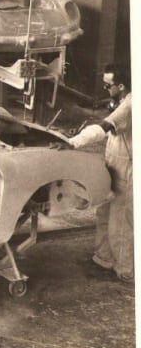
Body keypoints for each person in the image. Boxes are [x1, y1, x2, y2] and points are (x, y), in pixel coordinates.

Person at [63, 64, 133, 284]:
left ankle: (125, 269)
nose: (105, 88)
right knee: (103, 213)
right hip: (112, 162)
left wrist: (72, 143)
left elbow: (103, 127)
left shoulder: (130, 104)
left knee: (120, 222)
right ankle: (104, 258)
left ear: (121, 86)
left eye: (108, 85)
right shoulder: (118, 100)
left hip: (127, 167)